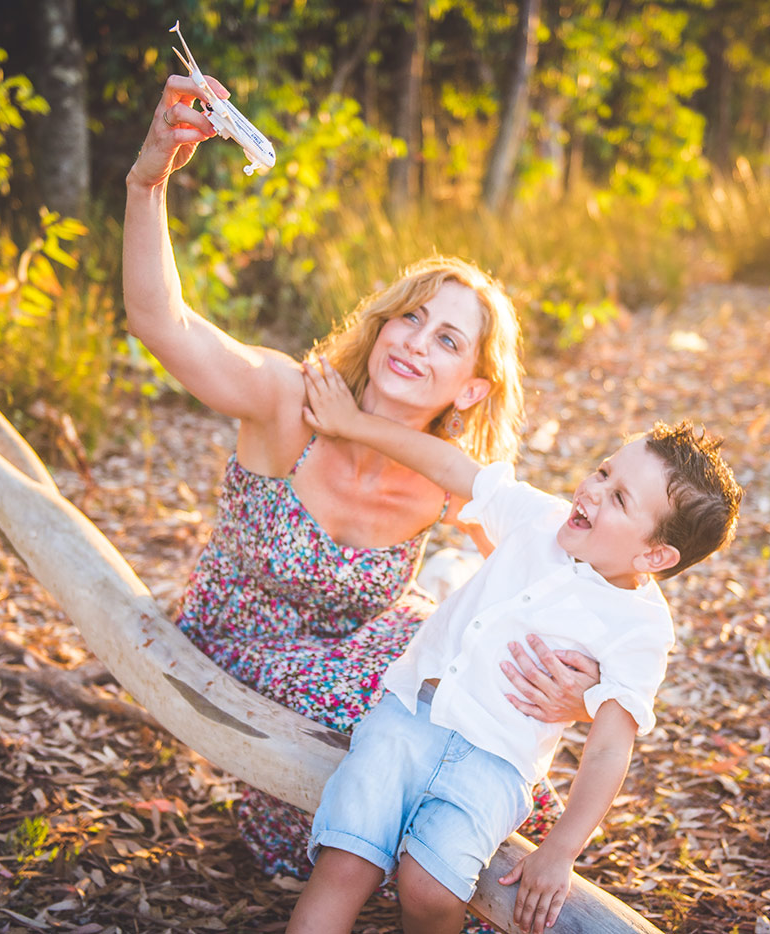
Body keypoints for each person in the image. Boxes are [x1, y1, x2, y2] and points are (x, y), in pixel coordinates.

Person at [122, 74, 601, 882]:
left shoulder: (452, 480)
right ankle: (432, 823)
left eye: (449, 341)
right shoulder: (287, 402)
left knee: (460, 654)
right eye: (410, 317)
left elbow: (543, 575)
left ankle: (458, 835)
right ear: (381, 326)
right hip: (240, 648)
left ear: (471, 389)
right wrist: (148, 179)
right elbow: (160, 322)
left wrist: (575, 686)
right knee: (413, 690)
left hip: (370, 657)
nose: (417, 342)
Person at [289, 359, 743, 934]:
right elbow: (455, 468)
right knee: (345, 861)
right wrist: (353, 423)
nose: (593, 491)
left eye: (620, 498)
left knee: (430, 889)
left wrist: (559, 851)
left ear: (655, 556)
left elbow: (608, 749)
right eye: (604, 472)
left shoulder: (642, 628)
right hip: (406, 719)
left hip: (495, 766)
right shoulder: (540, 519)